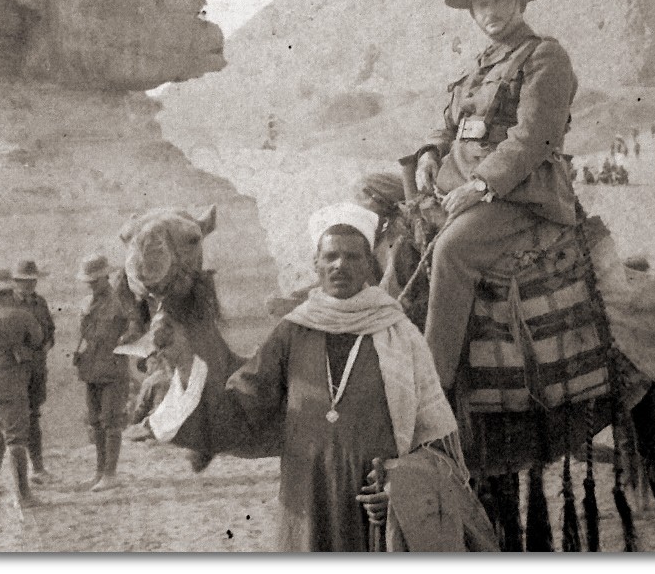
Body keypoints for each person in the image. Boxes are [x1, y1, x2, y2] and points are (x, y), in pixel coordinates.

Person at [158, 203, 495, 551]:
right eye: (331, 256)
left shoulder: (401, 334)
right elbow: (242, 407)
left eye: (352, 257)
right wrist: (185, 362)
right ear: (315, 265)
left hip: (376, 507)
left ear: (369, 265)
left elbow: (436, 443)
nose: (340, 265)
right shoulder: (291, 333)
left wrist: (399, 491)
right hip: (307, 502)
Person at [410, 0, 577, 389]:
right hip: (459, 178)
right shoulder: (480, 65)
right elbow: (450, 123)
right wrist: (430, 151)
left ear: (520, 3)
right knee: (383, 205)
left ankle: (433, 389)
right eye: (480, 4)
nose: (490, 12)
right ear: (471, 12)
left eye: (499, 0)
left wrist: (481, 187)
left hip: (521, 192)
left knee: (452, 252)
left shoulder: (545, 56)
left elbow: (534, 138)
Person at [74, 254, 138, 491]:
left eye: (94, 281)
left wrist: (125, 339)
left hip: (113, 370)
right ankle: (100, 472)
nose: (91, 285)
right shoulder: (86, 303)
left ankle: (110, 474)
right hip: (91, 370)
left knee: (111, 422)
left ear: (105, 277)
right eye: (88, 282)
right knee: (96, 422)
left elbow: (136, 325)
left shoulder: (120, 301)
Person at [0, 268, 44, 508]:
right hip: (12, 385)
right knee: (16, 439)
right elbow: (38, 340)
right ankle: (23, 496)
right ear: (9, 291)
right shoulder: (22, 316)